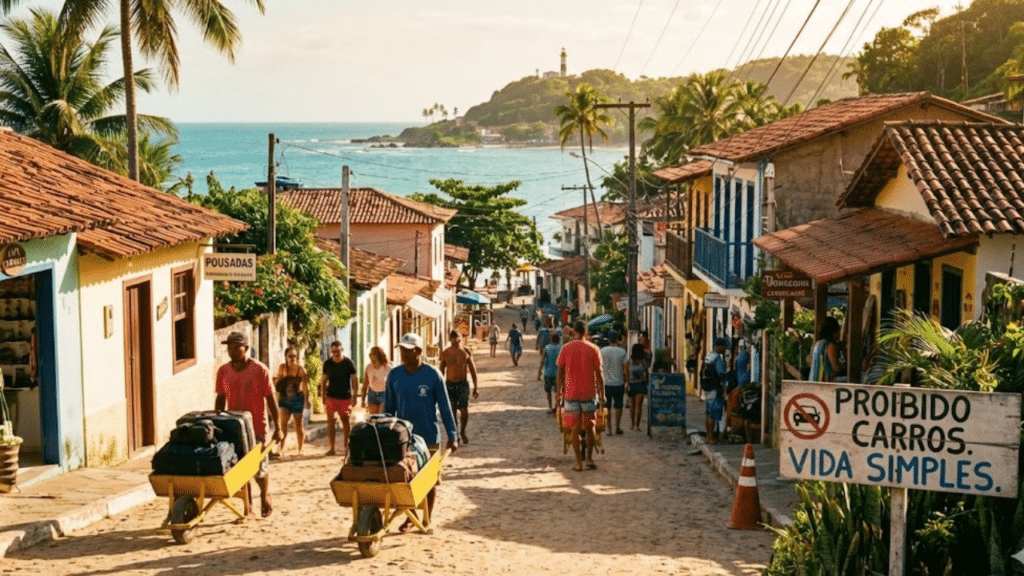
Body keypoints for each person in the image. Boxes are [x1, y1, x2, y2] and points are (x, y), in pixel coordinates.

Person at [384, 333, 459, 534]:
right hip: (403, 439)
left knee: (428, 480)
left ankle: (426, 518)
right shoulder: (394, 376)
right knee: (404, 478)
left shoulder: (433, 375)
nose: (403, 354)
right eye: (402, 350)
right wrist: (385, 433)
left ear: (418, 351)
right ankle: (412, 517)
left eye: (407, 350)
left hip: (428, 436)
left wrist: (453, 435)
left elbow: (445, 408)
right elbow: (388, 409)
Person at [215, 331, 282, 518]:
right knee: (241, 469)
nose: (232, 351)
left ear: (246, 348)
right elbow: (220, 398)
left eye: (236, 347)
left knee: (258, 468)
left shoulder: (260, 370)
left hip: (257, 427)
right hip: (234, 427)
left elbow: (271, 400)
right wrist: (218, 421)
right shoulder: (223, 371)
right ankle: (248, 506)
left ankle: (265, 494)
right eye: (229, 347)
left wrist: (278, 427)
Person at [556, 320, 605, 472]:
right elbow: (599, 374)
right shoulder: (593, 349)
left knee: (574, 430)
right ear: (586, 333)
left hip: (570, 394)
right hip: (589, 394)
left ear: (574, 332)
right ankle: (589, 459)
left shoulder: (566, 348)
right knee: (590, 427)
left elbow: (560, 373)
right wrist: (602, 394)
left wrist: (558, 393)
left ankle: (578, 463)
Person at [439, 330, 479, 444]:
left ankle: (462, 431)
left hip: (462, 384)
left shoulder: (466, 352)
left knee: (464, 409)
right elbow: (441, 371)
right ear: (450, 340)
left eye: (457, 338)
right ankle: (455, 434)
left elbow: (472, 369)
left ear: (460, 339)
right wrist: (439, 388)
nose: (455, 341)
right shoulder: (445, 352)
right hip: (449, 385)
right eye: (453, 339)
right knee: (452, 412)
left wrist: (476, 387)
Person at [320, 340, 358, 456]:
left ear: (342, 350)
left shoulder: (348, 363)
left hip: (345, 397)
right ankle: (332, 448)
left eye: (338, 351)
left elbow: (355, 381)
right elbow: (324, 381)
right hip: (331, 396)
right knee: (330, 422)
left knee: (345, 422)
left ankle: (346, 447)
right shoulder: (328, 364)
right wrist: (323, 395)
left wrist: (355, 396)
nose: (336, 353)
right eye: (333, 351)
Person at [274, 346, 308, 455]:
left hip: (297, 399)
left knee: (298, 425)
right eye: (290, 356)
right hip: (284, 398)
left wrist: (307, 401)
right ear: (286, 357)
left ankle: (300, 449)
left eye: (294, 356)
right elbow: (278, 384)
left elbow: (305, 387)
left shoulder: (300, 369)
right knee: (283, 424)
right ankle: (281, 449)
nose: (292, 358)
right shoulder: (282, 368)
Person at [600, 331, 628, 435]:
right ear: (617, 339)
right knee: (618, 406)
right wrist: (627, 382)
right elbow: (626, 369)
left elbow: (599, 367)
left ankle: (609, 429)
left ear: (608, 339)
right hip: (619, 383)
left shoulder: (602, 351)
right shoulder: (622, 351)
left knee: (607, 406)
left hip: (606, 383)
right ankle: (617, 427)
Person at [702, 337, 729, 444]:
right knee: (713, 414)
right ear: (718, 346)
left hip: (707, 388)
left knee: (708, 413)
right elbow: (721, 374)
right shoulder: (717, 358)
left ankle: (709, 436)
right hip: (714, 387)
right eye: (723, 347)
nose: (725, 349)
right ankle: (711, 438)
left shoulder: (708, 356)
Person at [807, 317, 846, 382]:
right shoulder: (830, 346)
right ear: (834, 331)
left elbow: (809, 360)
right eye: (839, 330)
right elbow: (837, 368)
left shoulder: (817, 343)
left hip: (813, 381)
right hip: (823, 383)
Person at [625, 343, 650, 431]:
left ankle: (632, 424)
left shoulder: (629, 361)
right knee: (639, 406)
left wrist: (627, 384)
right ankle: (637, 426)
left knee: (632, 405)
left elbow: (626, 373)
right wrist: (647, 383)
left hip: (631, 384)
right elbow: (646, 373)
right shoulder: (643, 361)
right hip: (641, 384)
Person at [361, 346, 391, 415]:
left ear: (380, 358)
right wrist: (363, 400)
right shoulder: (369, 367)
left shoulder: (388, 368)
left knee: (381, 417)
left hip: (384, 394)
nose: (372, 363)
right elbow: (365, 384)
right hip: (372, 394)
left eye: (374, 361)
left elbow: (392, 386)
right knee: (373, 418)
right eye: (371, 360)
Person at [537, 331, 562, 413]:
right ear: (558, 340)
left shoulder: (547, 348)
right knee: (558, 391)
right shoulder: (562, 348)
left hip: (548, 373)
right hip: (558, 374)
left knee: (548, 392)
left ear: (551, 340)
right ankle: (556, 407)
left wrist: (539, 373)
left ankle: (550, 407)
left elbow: (542, 361)